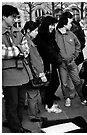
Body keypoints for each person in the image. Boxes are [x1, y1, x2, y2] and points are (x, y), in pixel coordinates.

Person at [2, 4, 32, 133]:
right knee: (12, 104)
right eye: (13, 17)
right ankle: (16, 128)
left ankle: (18, 124)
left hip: (21, 72)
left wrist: (17, 50)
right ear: (4, 16)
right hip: (8, 75)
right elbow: (2, 53)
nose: (15, 20)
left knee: (21, 103)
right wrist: (19, 49)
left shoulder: (17, 31)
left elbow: (27, 49)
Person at [55, 12, 87, 107]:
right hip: (62, 64)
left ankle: (83, 98)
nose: (71, 25)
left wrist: (75, 56)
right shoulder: (55, 34)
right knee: (64, 83)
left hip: (72, 62)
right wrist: (58, 59)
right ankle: (67, 98)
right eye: (69, 23)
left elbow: (78, 45)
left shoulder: (71, 34)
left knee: (77, 81)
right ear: (64, 24)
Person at [34, 16, 62, 113]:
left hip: (52, 63)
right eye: (50, 25)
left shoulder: (50, 35)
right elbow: (47, 51)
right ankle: (49, 104)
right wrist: (56, 58)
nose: (52, 27)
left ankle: (49, 98)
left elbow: (55, 48)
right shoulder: (41, 37)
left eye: (53, 25)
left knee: (53, 82)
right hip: (47, 64)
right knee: (53, 83)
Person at [21, 21, 48, 122]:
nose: (37, 32)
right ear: (28, 31)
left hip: (28, 72)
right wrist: (41, 74)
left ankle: (34, 113)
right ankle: (34, 115)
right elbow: (35, 60)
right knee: (33, 94)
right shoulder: (29, 43)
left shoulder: (26, 40)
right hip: (33, 73)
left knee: (32, 94)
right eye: (35, 30)